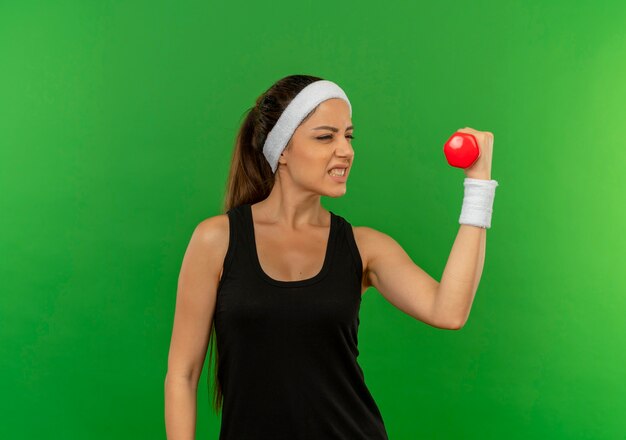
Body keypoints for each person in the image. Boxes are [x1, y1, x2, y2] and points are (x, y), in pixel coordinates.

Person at [164, 74, 499, 439]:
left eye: (348, 136)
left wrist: (478, 185)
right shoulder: (217, 240)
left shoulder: (365, 247)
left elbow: (448, 311)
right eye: (326, 137)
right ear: (282, 150)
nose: (346, 150)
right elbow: (183, 375)